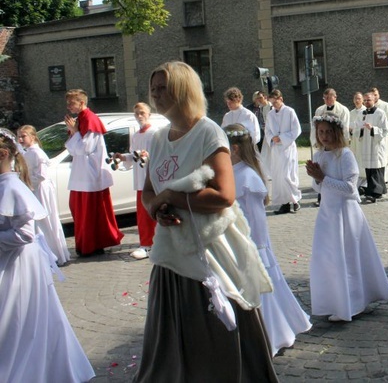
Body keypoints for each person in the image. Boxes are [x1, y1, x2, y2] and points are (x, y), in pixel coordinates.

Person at [134, 61, 277, 383]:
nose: (156, 95)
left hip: (210, 253)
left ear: (183, 90)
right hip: (171, 254)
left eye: (163, 88)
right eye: (153, 89)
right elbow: (148, 191)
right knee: (170, 339)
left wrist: (173, 196)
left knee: (215, 336)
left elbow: (224, 195)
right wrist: (156, 208)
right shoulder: (157, 139)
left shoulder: (208, 132)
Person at [0, 128, 96, 383]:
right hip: (11, 260)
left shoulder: (12, 187)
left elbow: (25, 234)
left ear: (3, 154)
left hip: (19, 263)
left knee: (16, 316)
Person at [225, 123, 312, 355]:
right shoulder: (230, 172)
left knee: (262, 289)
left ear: (234, 149)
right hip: (235, 243)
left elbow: (256, 221)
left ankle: (272, 332)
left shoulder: (247, 177)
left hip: (252, 244)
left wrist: (258, 248)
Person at [306, 114, 388, 321]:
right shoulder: (319, 156)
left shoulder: (344, 155)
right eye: (321, 132)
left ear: (336, 132)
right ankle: (335, 300)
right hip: (328, 213)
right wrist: (316, 179)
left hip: (345, 213)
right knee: (329, 257)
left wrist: (323, 178)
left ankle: (353, 302)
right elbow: (317, 187)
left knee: (348, 256)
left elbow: (349, 188)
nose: (324, 136)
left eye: (328, 131)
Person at [63, 89, 123, 257]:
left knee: (90, 213)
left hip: (90, 174)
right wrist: (74, 134)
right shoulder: (79, 119)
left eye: (71, 103)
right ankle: (85, 244)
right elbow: (73, 149)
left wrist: (75, 133)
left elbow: (84, 148)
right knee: (78, 210)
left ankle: (92, 245)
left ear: (82, 103)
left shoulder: (90, 119)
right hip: (80, 173)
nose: (68, 106)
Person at [17, 124, 70, 265]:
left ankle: (55, 254)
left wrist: (26, 182)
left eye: (23, 136)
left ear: (33, 137)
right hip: (34, 188)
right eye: (19, 137)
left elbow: (41, 175)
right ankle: (44, 254)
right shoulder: (27, 152)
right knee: (38, 222)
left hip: (41, 189)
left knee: (46, 221)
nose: (20, 139)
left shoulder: (37, 153)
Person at [114, 103, 159, 260]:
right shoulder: (136, 135)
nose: (139, 116)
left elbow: (159, 155)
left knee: (150, 213)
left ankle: (151, 245)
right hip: (140, 179)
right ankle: (146, 243)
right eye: (137, 114)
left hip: (151, 179)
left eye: (142, 113)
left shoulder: (154, 133)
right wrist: (123, 157)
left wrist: (148, 155)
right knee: (142, 214)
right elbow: (134, 156)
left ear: (149, 114)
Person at [265, 89, 302, 214]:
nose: (273, 106)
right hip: (276, 149)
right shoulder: (270, 114)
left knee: (287, 175)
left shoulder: (289, 111)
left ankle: (295, 200)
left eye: (275, 103)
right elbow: (268, 131)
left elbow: (297, 130)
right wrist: (272, 138)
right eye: (272, 103)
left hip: (287, 148)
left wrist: (282, 138)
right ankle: (284, 204)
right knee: (278, 177)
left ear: (281, 99)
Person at [355, 92, 388, 203]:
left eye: (368, 100)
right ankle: (372, 191)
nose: (366, 102)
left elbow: (385, 130)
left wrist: (373, 128)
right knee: (369, 169)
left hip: (375, 145)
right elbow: (356, 128)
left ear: (374, 100)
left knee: (376, 169)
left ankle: (376, 192)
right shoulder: (361, 114)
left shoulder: (380, 113)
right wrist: (359, 129)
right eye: (365, 100)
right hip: (366, 145)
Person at [349, 92, 367, 188]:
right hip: (354, 140)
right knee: (355, 158)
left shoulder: (365, 111)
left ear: (362, 100)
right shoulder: (351, 112)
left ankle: (364, 180)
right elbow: (349, 125)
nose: (357, 100)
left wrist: (355, 127)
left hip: (363, 140)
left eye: (359, 98)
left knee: (362, 158)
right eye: (355, 98)